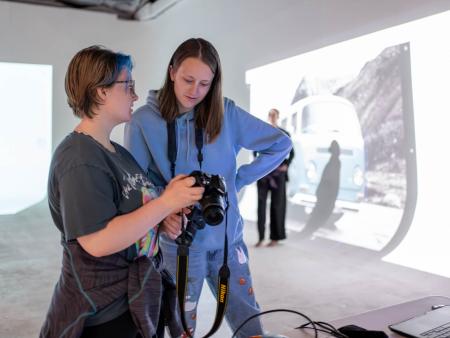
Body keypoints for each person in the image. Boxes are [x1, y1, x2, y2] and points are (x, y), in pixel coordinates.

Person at [124, 38, 292, 337]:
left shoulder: (225, 113)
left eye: (205, 83)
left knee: (249, 323)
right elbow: (136, 183)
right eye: (188, 80)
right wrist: (162, 211)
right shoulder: (142, 122)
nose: (195, 91)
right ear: (172, 71)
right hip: (180, 245)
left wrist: (236, 180)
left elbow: (280, 144)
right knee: (180, 327)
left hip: (228, 240)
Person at [40, 45, 204, 338]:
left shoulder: (116, 152)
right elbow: (97, 241)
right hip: (103, 312)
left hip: (134, 300)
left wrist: (163, 218)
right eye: (128, 86)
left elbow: (135, 214)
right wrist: (166, 202)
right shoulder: (78, 158)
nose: (135, 95)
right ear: (101, 91)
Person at [254, 108, 295, 248]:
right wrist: (260, 166)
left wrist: (286, 165)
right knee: (261, 207)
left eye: (274, 115)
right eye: (270, 115)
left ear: (278, 117)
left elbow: (292, 153)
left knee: (277, 206)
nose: (272, 117)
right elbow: (255, 152)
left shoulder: (285, 134)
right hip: (264, 176)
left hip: (279, 177)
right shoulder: (261, 133)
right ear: (268, 116)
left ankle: (275, 238)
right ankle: (260, 238)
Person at [301, 140, 341, 238]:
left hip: (326, 195)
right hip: (326, 195)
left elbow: (330, 180)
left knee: (318, 215)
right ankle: (306, 233)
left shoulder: (334, 162)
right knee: (318, 216)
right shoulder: (334, 162)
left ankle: (306, 233)